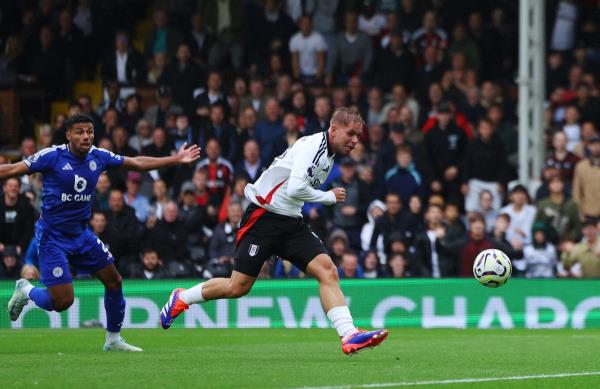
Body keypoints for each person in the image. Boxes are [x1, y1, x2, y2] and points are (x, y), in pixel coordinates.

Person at [160, 108, 388, 355]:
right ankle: (182, 298)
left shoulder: (329, 155)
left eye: (358, 136)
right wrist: (327, 197)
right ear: (333, 129)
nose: (355, 141)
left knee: (328, 271)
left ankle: (349, 335)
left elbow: (293, 193)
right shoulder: (313, 146)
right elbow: (294, 189)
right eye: (351, 133)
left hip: (290, 220)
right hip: (263, 217)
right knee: (238, 287)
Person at [4, 114, 200, 352]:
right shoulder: (51, 156)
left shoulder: (99, 156)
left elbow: (136, 163)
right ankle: (26, 290)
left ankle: (113, 339)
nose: (86, 136)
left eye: (89, 131)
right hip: (52, 237)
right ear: (68, 135)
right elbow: (14, 168)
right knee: (63, 301)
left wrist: (176, 159)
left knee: (114, 280)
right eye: (79, 132)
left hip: (81, 234)